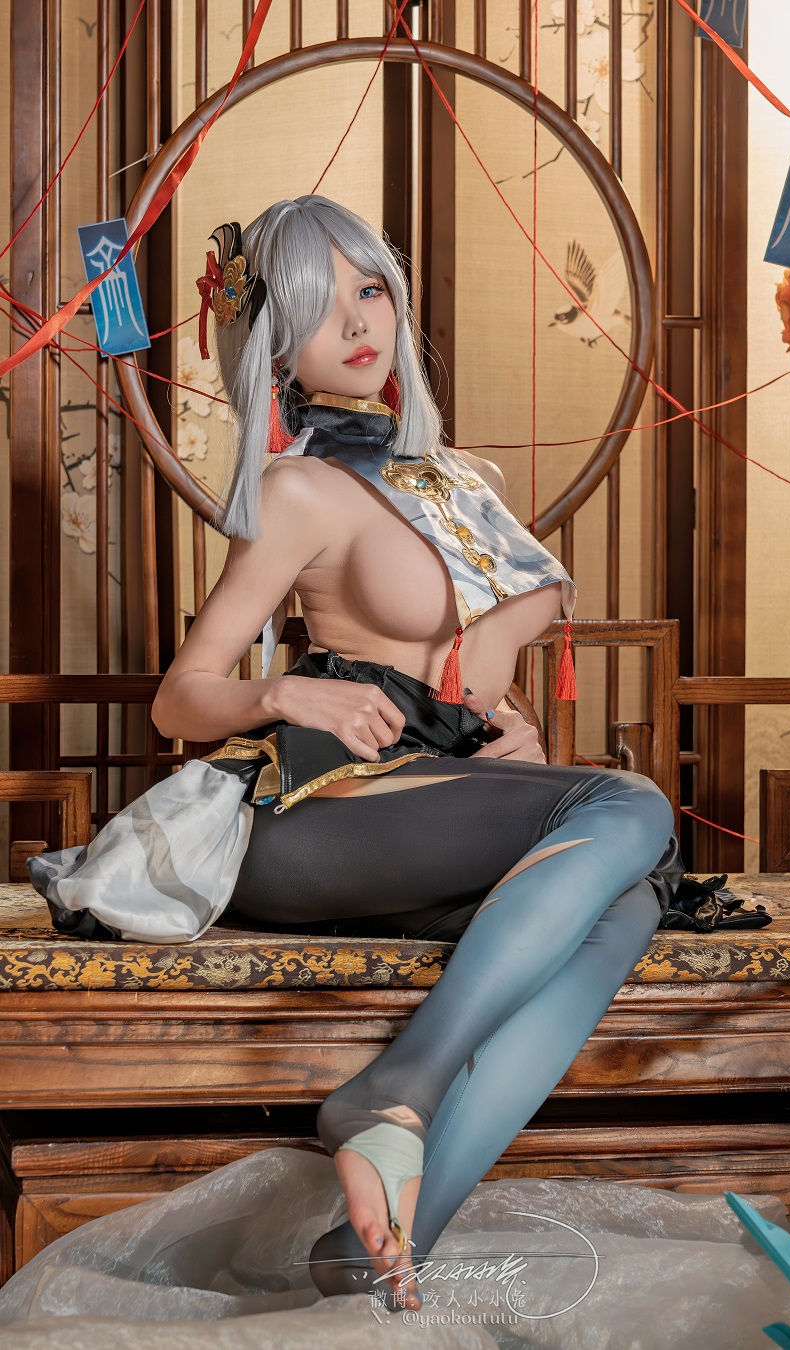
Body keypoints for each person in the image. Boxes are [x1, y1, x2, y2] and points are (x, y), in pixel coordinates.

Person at [37, 194, 684, 1313]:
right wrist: (285, 690)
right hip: (311, 811)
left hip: (431, 794)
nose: (355, 322)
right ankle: (401, 1087)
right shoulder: (297, 489)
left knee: (625, 900)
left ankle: (378, 1240)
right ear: (271, 340)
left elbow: (467, 660)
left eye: (371, 289)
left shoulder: (465, 482)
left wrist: (513, 728)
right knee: (634, 808)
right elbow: (180, 701)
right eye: (313, 304)